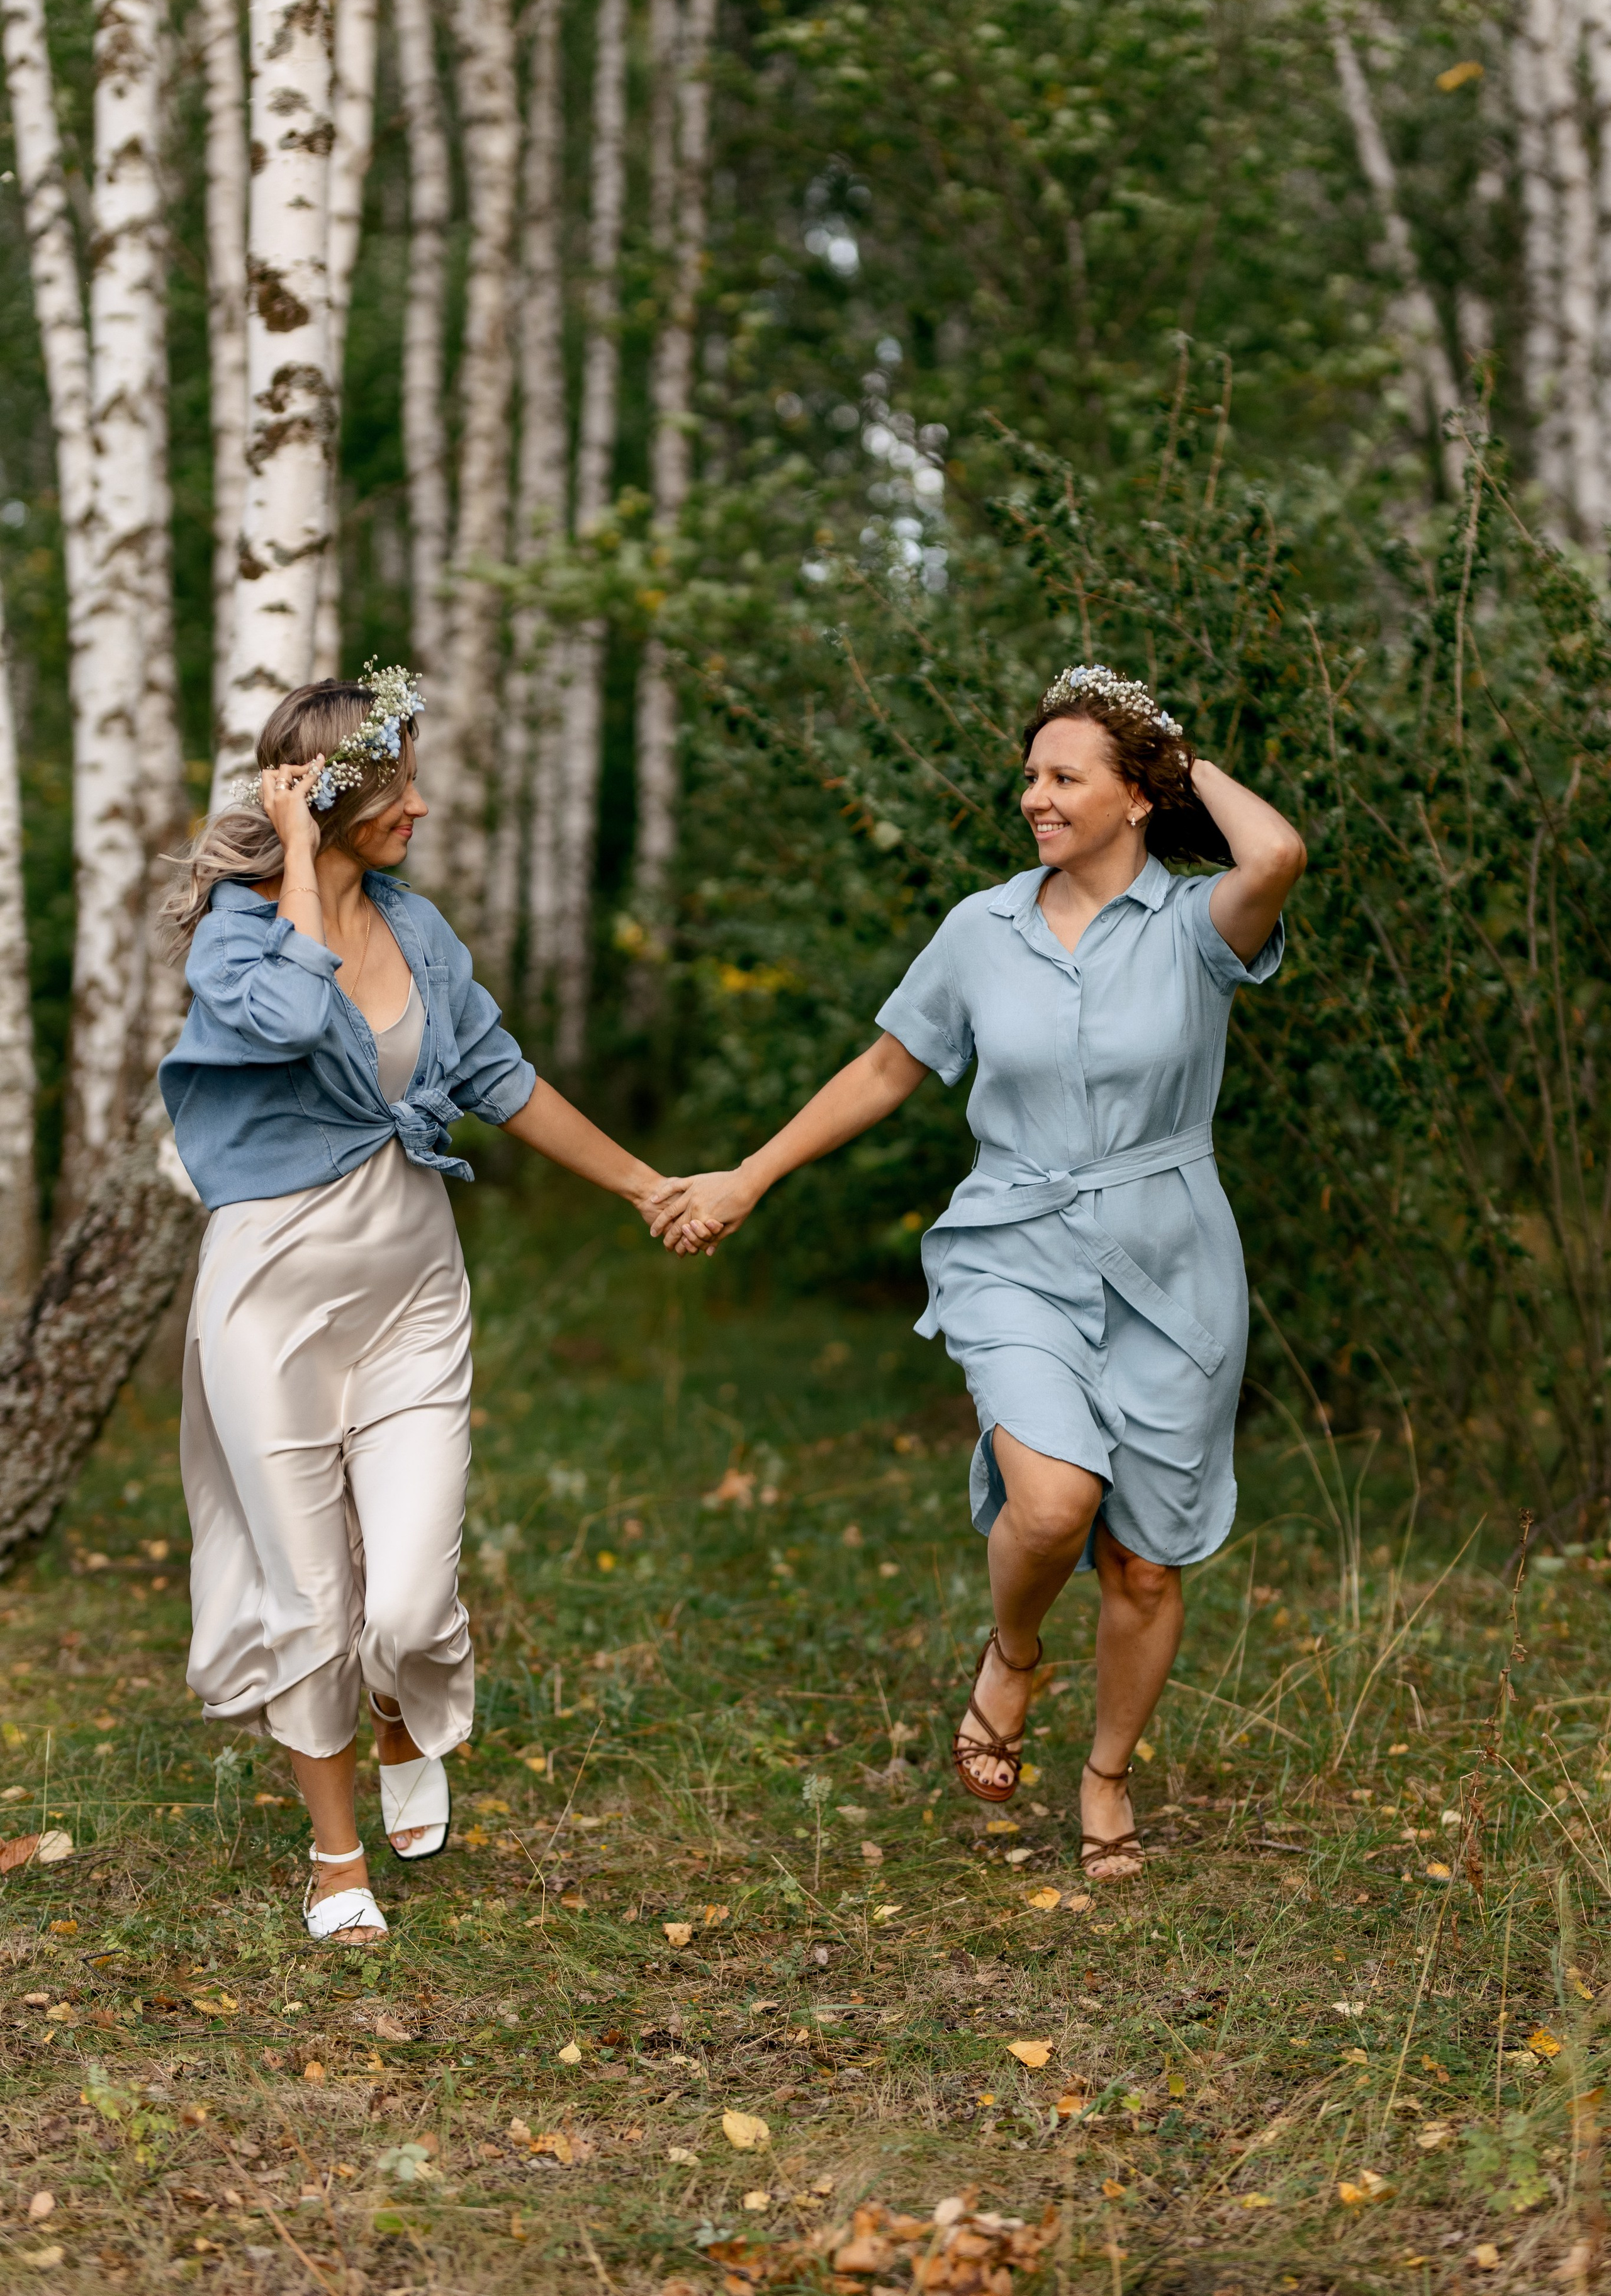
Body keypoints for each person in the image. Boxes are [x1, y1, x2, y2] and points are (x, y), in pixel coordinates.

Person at [649, 666, 1305, 1879]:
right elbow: (887, 1071)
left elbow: (1276, 851)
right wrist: (749, 1175)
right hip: (1016, 1245)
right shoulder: (980, 930)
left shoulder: (1197, 928)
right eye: (1030, 777)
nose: (1035, 800)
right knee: (1054, 1505)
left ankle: (1104, 1777)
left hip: (1173, 1259)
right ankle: (1013, 1653)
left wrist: (1170, 745)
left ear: (1137, 798)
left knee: (1144, 1561)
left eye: (1065, 778)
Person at [159, 672, 675, 1944]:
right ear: (326, 799)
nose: (421, 810)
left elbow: (497, 1075)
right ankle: (338, 1862)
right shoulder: (238, 932)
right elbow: (283, 1015)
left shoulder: (417, 927)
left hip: (410, 1286)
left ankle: (399, 1707)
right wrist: (289, 858)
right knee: (309, 1597)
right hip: (269, 1301)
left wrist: (645, 1186)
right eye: (394, 791)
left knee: (401, 1601)